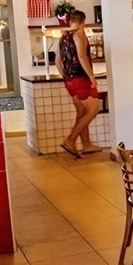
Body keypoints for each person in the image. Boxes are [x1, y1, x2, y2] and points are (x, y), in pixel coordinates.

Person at [56, 9, 102, 158]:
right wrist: (92, 77)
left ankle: (87, 145)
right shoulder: (79, 34)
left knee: (82, 112)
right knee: (93, 110)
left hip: (69, 81)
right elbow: (82, 57)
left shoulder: (63, 36)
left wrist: (65, 75)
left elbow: (57, 61)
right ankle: (70, 140)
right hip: (82, 79)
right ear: (83, 22)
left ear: (70, 21)